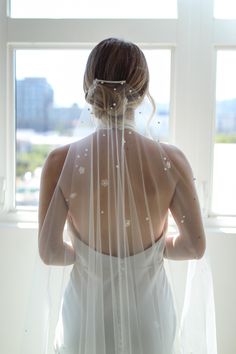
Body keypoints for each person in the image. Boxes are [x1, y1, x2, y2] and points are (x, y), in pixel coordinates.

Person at [37, 38, 213, 354]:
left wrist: (89, 257)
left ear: (89, 89)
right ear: (142, 93)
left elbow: (50, 254)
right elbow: (194, 247)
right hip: (150, 320)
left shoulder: (60, 161)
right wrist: (154, 249)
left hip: (84, 320)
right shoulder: (171, 161)